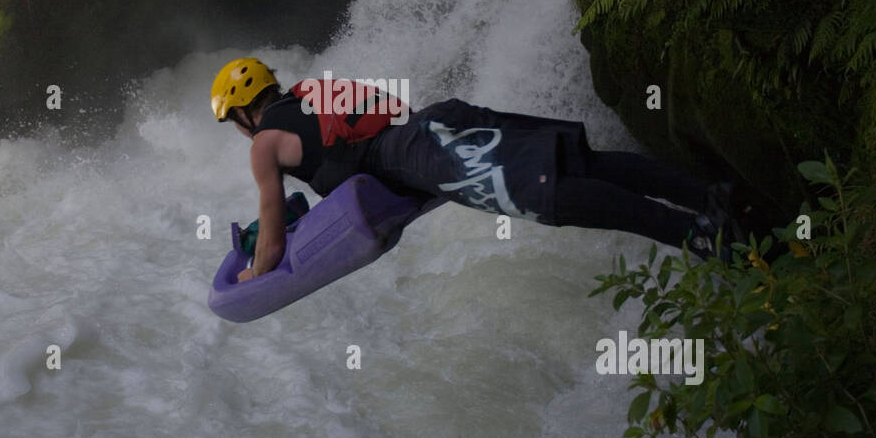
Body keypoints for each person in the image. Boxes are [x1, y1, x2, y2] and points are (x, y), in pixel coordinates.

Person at [211, 57, 746, 281]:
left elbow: (274, 239)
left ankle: (702, 235)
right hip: (436, 123)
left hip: (422, 154)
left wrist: (254, 272)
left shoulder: (262, 145)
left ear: (241, 112)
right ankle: (709, 197)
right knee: (579, 162)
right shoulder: (311, 92)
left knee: (554, 194)